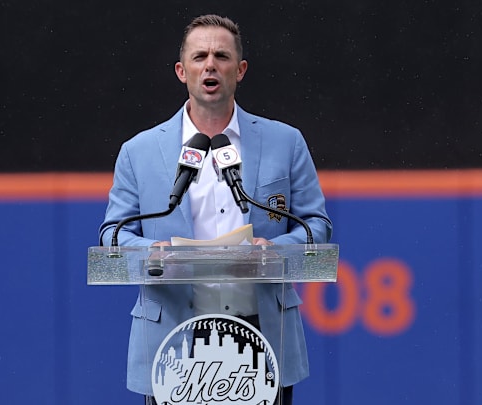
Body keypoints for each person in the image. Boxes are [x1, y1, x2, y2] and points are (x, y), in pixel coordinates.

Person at [99, 14, 332, 405]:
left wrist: (275, 250)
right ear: (181, 70)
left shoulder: (285, 142)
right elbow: (113, 234)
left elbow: (316, 226)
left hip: (261, 332)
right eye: (200, 56)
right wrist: (151, 253)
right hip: (174, 336)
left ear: (239, 70)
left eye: (222, 56)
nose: (210, 65)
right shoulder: (138, 152)